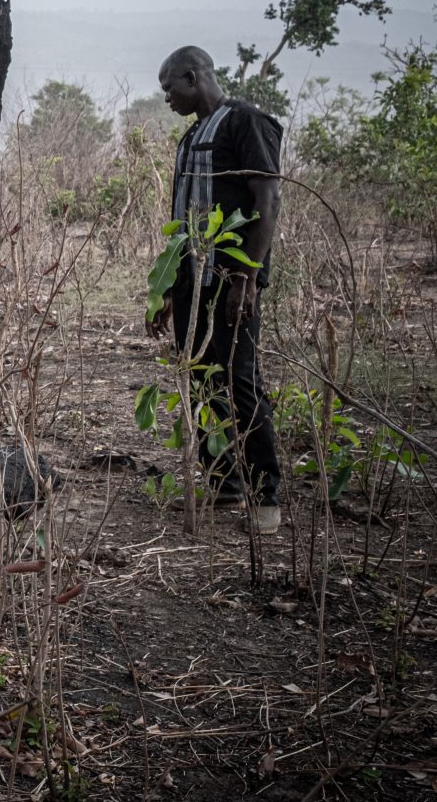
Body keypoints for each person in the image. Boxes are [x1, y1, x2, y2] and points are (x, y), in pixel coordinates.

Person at [148, 45, 284, 535]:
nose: (167, 100)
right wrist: (165, 289)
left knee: (240, 380)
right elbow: (180, 216)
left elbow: (267, 198)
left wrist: (246, 276)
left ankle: (268, 492)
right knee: (202, 380)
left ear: (192, 77)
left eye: (169, 90)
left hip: (231, 280)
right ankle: (223, 481)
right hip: (190, 282)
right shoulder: (190, 139)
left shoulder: (244, 121)